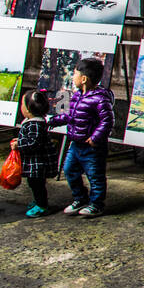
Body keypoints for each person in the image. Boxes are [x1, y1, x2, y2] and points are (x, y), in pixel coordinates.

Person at [49, 57, 115, 217]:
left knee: (95, 176)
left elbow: (107, 121)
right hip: (75, 144)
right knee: (69, 170)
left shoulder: (100, 99)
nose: (73, 77)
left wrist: (95, 138)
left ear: (84, 79)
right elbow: (68, 116)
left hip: (92, 147)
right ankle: (80, 198)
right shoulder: (76, 96)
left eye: (75, 74)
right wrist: (51, 122)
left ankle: (96, 204)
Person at [11, 89, 57, 217]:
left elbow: (33, 143)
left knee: (37, 185)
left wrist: (19, 144)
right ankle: (39, 202)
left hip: (38, 163)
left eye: (22, 105)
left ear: (28, 110)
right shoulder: (34, 122)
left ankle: (42, 206)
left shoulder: (35, 124)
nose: (21, 107)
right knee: (35, 184)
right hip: (36, 163)